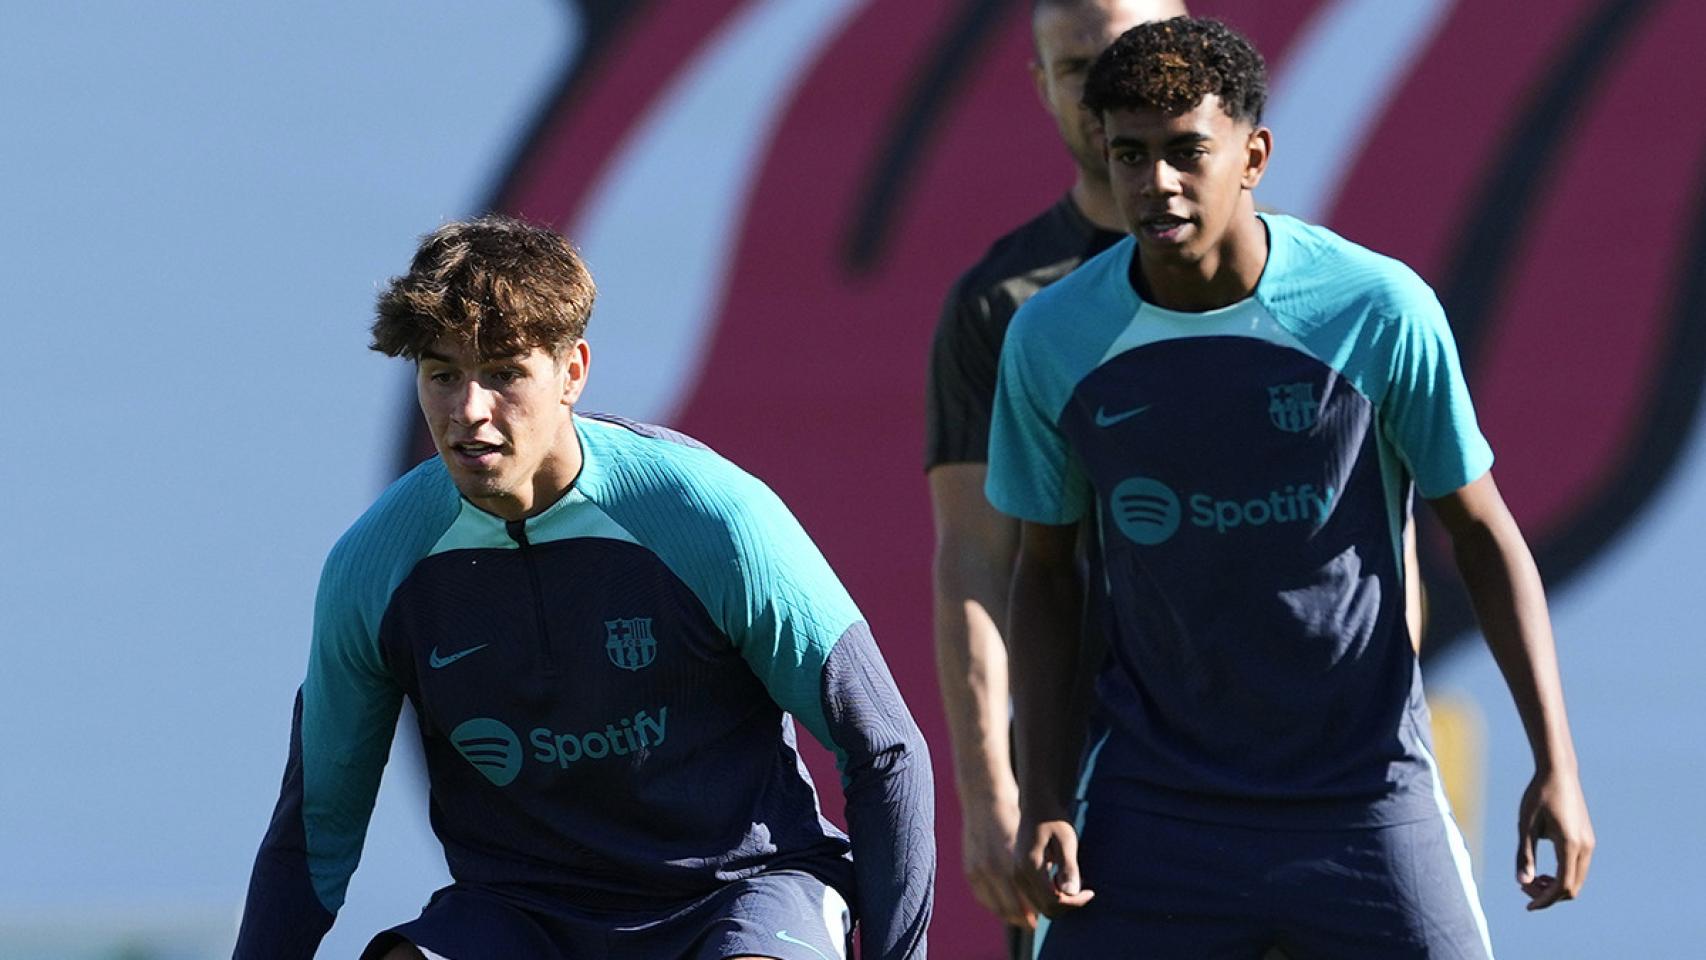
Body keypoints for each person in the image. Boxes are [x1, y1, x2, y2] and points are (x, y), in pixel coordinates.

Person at [988, 17, 1594, 959]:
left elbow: (1481, 534)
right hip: (1154, 808)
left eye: (1188, 151)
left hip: (1365, 797)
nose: (1157, 182)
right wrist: (1046, 797)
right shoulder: (1052, 337)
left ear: (1254, 155)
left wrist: (1556, 761)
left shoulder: (1378, 308)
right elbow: (1045, 575)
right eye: (1130, 155)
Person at [235, 216, 933, 960]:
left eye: (504, 372)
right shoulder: (375, 565)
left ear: (572, 372)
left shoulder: (713, 517)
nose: (469, 410)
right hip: (520, 913)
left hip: (740, 892)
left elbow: (884, 749)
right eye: (442, 375)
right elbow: (314, 831)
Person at [924, 0, 1185, 950]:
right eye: (1078, 68)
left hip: (1286, 772)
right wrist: (992, 790)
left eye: (1132, 54)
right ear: (1041, 88)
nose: (1109, 87)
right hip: (1082, 786)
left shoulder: (1309, 286)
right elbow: (975, 561)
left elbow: (1380, 538)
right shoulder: (1001, 305)